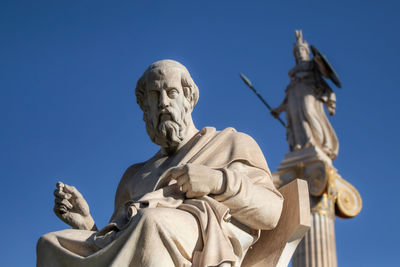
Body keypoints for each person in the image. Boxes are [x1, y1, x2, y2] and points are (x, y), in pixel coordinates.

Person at [37, 59, 283, 267]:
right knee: (50, 243)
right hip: (147, 231)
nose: (163, 102)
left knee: (149, 222)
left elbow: (271, 212)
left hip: (199, 240)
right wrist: (87, 224)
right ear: (145, 109)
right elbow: (121, 246)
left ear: (188, 99)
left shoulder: (230, 143)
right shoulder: (134, 175)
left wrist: (218, 181)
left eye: (171, 92)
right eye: (155, 96)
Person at [271, 31, 339, 160]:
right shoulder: (293, 73)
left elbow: (324, 73)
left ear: (306, 52)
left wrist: (319, 61)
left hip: (308, 91)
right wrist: (279, 110)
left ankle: (319, 142)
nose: (299, 53)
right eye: (297, 52)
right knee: (295, 117)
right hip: (294, 94)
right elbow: (288, 94)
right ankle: (301, 144)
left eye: (301, 50)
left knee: (309, 113)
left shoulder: (312, 65)